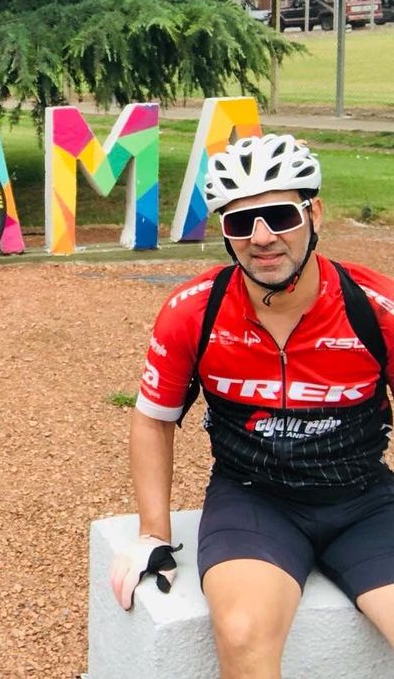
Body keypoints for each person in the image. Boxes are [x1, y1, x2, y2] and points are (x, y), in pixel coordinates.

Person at [112, 133, 394, 677]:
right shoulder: (194, 311)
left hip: (365, 501)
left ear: (314, 214)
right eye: (241, 223)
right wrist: (153, 533)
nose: (262, 238)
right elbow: (153, 419)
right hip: (253, 501)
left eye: (280, 216)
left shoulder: (376, 306)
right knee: (242, 635)